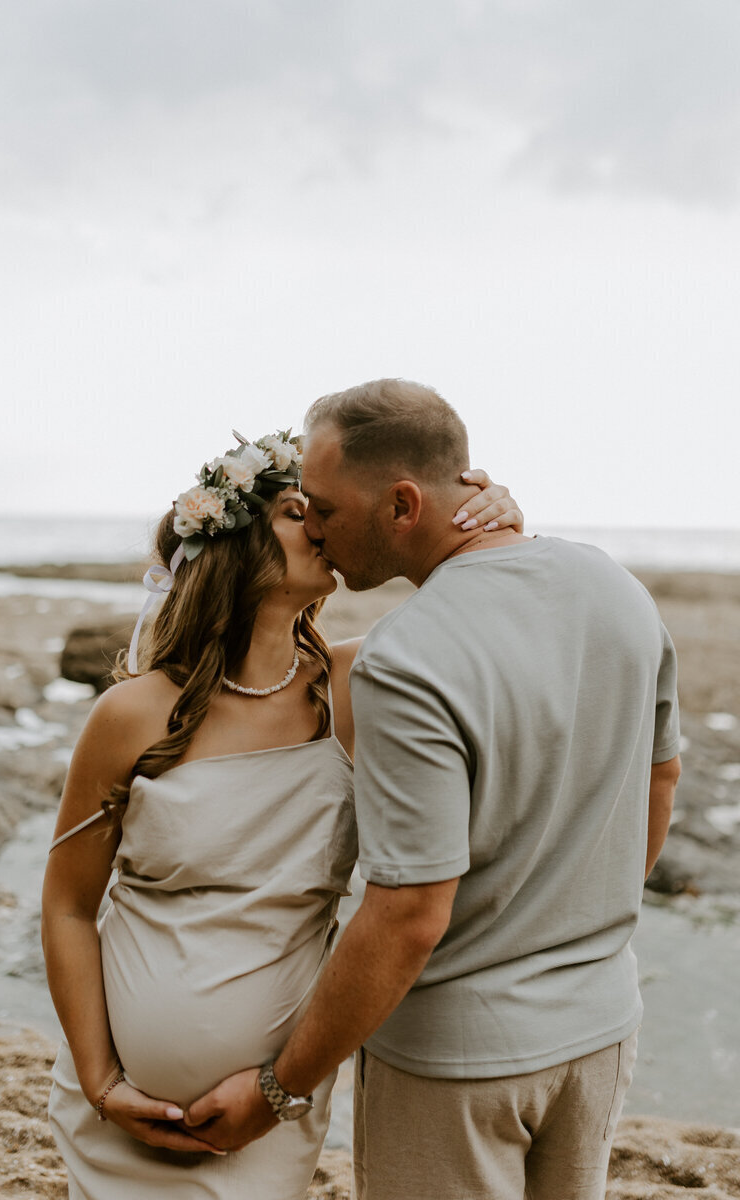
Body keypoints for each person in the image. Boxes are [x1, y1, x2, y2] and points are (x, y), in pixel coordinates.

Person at [184, 380, 682, 1200]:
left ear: (403, 505)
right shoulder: (615, 586)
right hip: (601, 1030)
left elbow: (408, 913)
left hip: (458, 1068)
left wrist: (278, 1091)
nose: (314, 528)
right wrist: (571, 928)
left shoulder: (406, 658)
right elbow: (659, 778)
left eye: (327, 510)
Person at [41, 425, 522, 1200]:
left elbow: (493, 607)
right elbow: (67, 905)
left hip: (266, 1116)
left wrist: (494, 516)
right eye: (301, 512)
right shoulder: (132, 714)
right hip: (115, 1113)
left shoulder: (359, 685)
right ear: (230, 545)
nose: (327, 527)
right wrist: (99, 1081)